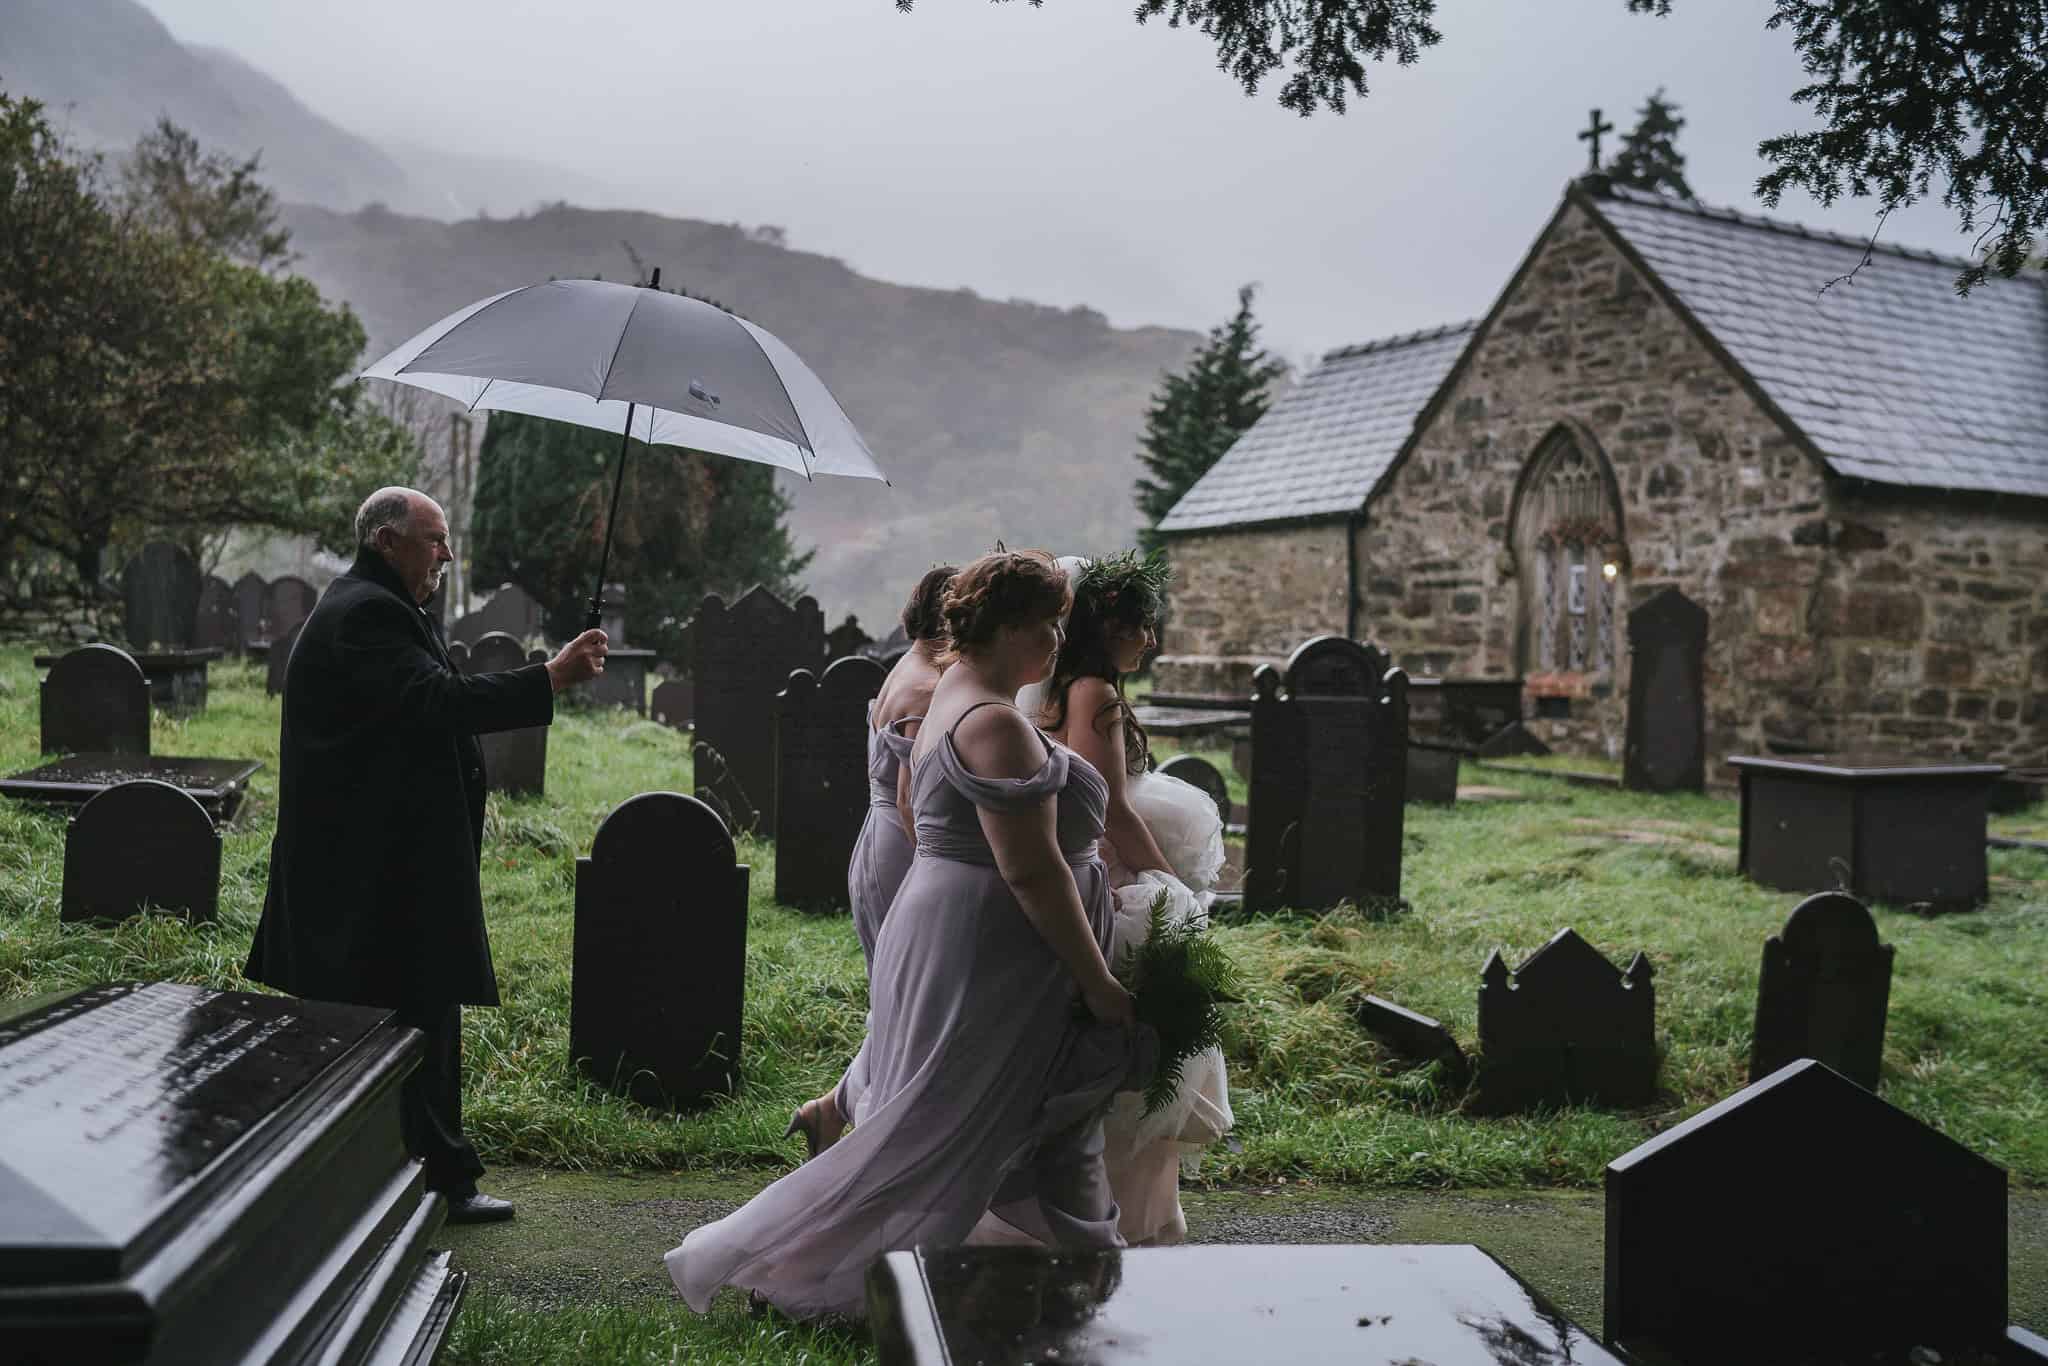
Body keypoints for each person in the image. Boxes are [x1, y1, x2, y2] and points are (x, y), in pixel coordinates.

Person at [666, 550, 1141, 1318]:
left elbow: (923, 815)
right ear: (1012, 628)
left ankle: (1080, 1264)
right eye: (1050, 626)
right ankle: (798, 1270)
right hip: (995, 949)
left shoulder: (951, 686)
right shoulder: (992, 722)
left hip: (955, 927)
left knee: (988, 1111)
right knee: (941, 1122)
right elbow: (1035, 875)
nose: (1060, 642)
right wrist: (1099, 982)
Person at [245, 486, 608, 1224]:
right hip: (371, 874)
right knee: (411, 1022)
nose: (446, 554)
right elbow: (438, 702)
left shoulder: (377, 606)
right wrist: (551, 678)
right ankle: (431, 1179)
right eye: (434, 539)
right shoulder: (368, 614)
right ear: (387, 540)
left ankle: (420, 1174)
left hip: (380, 866)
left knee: (416, 1019)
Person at [1027, 550, 1232, 1247]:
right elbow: (1106, 806)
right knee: (1132, 1074)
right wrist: (1167, 885)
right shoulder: (1097, 694)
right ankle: (1127, 1220)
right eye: (1140, 624)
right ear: (1105, 624)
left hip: (1100, 884)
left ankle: (1123, 1213)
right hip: (1115, 890)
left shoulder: (1069, 687)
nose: (1150, 638)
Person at [785, 564, 956, 1158]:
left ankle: (834, 1111)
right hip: (904, 848)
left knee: (896, 998)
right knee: (909, 1000)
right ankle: (876, 1132)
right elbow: (914, 800)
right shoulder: (930, 685)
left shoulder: (902, 668)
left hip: (875, 836)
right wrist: (941, 867)